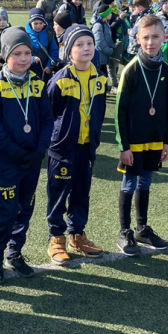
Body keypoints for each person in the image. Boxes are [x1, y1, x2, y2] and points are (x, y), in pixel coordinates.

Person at [0, 27, 54, 283]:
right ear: (4, 55)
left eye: (27, 53)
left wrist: (39, 150)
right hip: (8, 161)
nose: (23, 59)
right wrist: (14, 151)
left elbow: (47, 120)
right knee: (7, 210)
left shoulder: (38, 83)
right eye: (17, 53)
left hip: (33, 161)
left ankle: (15, 253)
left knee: (26, 208)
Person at [46, 24, 110, 265]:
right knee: (58, 193)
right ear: (69, 52)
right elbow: (48, 114)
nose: (86, 48)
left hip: (86, 148)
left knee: (82, 192)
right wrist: (56, 139)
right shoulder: (60, 80)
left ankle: (77, 234)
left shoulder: (101, 79)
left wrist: (93, 138)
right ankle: (56, 237)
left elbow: (101, 112)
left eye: (90, 44)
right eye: (79, 45)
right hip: (63, 148)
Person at [114, 15, 168, 255]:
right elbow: (120, 110)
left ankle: (141, 228)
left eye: (155, 37)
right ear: (137, 38)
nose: (151, 42)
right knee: (129, 182)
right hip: (134, 142)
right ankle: (124, 231)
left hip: (155, 140)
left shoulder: (167, 70)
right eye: (146, 37)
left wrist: (167, 140)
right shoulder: (131, 69)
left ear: (164, 38)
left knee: (146, 181)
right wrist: (123, 146)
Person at [25, 7, 58, 76]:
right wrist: (32, 59)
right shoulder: (25, 36)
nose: (38, 26)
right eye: (35, 23)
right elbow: (22, 54)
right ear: (30, 23)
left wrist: (49, 66)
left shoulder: (49, 35)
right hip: (29, 71)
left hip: (45, 71)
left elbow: (54, 52)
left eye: (41, 23)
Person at [93, 4, 115, 77]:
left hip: (104, 57)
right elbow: (99, 42)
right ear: (105, 14)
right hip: (100, 58)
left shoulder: (105, 23)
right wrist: (109, 51)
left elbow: (109, 38)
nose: (111, 14)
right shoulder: (98, 25)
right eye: (110, 13)